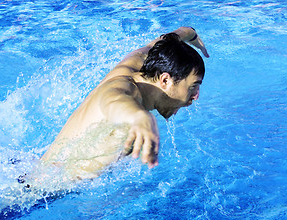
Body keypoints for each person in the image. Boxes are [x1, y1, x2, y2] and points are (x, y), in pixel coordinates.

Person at [30, 27, 209, 184]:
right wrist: (139, 117)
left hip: (37, 171)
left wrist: (190, 34)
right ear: (165, 80)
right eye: (193, 87)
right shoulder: (125, 89)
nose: (195, 97)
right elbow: (112, 100)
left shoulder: (141, 61)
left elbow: (167, 40)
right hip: (37, 190)